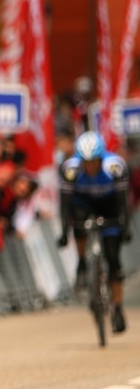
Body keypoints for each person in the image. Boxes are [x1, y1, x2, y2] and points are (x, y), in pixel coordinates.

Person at [57, 131, 129, 333]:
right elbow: (65, 204)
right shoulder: (70, 169)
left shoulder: (115, 166)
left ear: (101, 158)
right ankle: (81, 262)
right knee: (79, 221)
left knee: (113, 258)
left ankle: (118, 307)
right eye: (85, 163)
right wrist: (64, 230)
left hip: (109, 205)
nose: (89, 167)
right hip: (83, 202)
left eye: (94, 162)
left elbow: (123, 202)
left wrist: (124, 226)